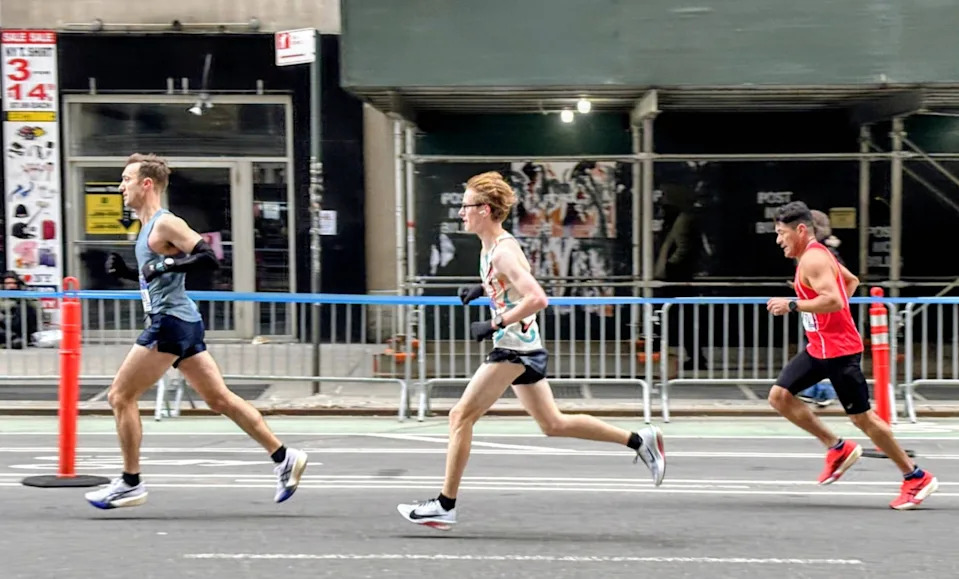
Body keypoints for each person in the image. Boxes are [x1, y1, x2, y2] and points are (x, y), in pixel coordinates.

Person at [396, 171, 666, 530]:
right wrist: (483, 289)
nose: (461, 212)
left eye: (467, 206)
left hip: (513, 348)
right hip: (525, 345)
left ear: (487, 210)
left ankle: (445, 504)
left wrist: (495, 322)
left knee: (460, 416)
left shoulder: (503, 251)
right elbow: (509, 282)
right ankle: (639, 440)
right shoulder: (491, 246)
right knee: (553, 424)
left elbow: (537, 297)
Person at [84, 153, 308, 509]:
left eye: (126, 179)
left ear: (147, 184)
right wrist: (130, 272)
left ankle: (130, 482)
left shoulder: (165, 223)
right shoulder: (147, 229)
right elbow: (160, 276)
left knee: (119, 396)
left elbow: (207, 257)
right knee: (219, 399)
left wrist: (166, 263)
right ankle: (284, 457)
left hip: (170, 322)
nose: (120, 186)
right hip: (183, 320)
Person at [766, 201, 937, 510]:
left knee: (863, 418)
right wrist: (820, 315)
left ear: (800, 230)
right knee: (779, 396)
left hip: (840, 351)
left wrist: (792, 304)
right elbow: (850, 282)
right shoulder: (817, 255)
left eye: (781, 233)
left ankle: (916, 477)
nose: (778, 240)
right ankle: (838, 449)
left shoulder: (813, 260)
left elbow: (833, 300)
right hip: (820, 347)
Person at [795, 210, 841, 407]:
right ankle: (815, 388)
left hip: (825, 311)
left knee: (825, 351)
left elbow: (840, 281)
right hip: (816, 310)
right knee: (817, 349)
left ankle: (826, 390)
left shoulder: (822, 253)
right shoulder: (818, 252)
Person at [0, 271, 39, 349]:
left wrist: (21, 295)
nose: (11, 285)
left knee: (24, 308)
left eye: (13, 283)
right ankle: (13, 339)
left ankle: (15, 340)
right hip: (4, 324)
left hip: (19, 324)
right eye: (8, 283)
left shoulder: (24, 294)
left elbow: (36, 307)